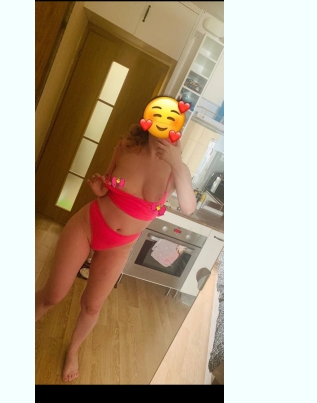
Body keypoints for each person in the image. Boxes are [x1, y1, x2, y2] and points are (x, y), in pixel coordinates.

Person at [35, 120, 197, 383]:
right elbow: (108, 186)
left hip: (119, 247)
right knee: (53, 295)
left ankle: (73, 350)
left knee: (92, 306)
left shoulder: (178, 169)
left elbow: (189, 207)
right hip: (87, 226)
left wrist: (177, 163)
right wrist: (101, 187)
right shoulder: (127, 145)